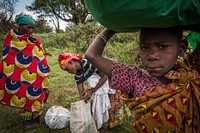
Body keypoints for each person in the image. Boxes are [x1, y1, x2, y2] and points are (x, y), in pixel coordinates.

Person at [85, 27, 200, 132]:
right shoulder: (134, 77)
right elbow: (92, 55)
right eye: (145, 47)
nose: (152, 55)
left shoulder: (191, 68)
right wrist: (112, 28)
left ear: (181, 47)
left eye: (162, 46)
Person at [57, 53, 131, 133]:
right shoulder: (78, 74)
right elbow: (80, 90)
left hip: (108, 85)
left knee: (108, 106)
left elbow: (105, 76)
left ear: (71, 62)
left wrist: (91, 91)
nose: (68, 72)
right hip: (97, 89)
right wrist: (83, 101)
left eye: (67, 69)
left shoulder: (90, 63)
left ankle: (105, 125)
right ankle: (102, 125)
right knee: (98, 107)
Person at [0, 15, 50, 128]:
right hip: (18, 73)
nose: (31, 30)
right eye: (28, 27)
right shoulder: (12, 39)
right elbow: (9, 55)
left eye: (33, 28)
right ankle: (27, 121)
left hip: (36, 72)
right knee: (22, 94)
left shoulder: (31, 39)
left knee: (37, 93)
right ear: (20, 26)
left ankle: (37, 115)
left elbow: (37, 53)